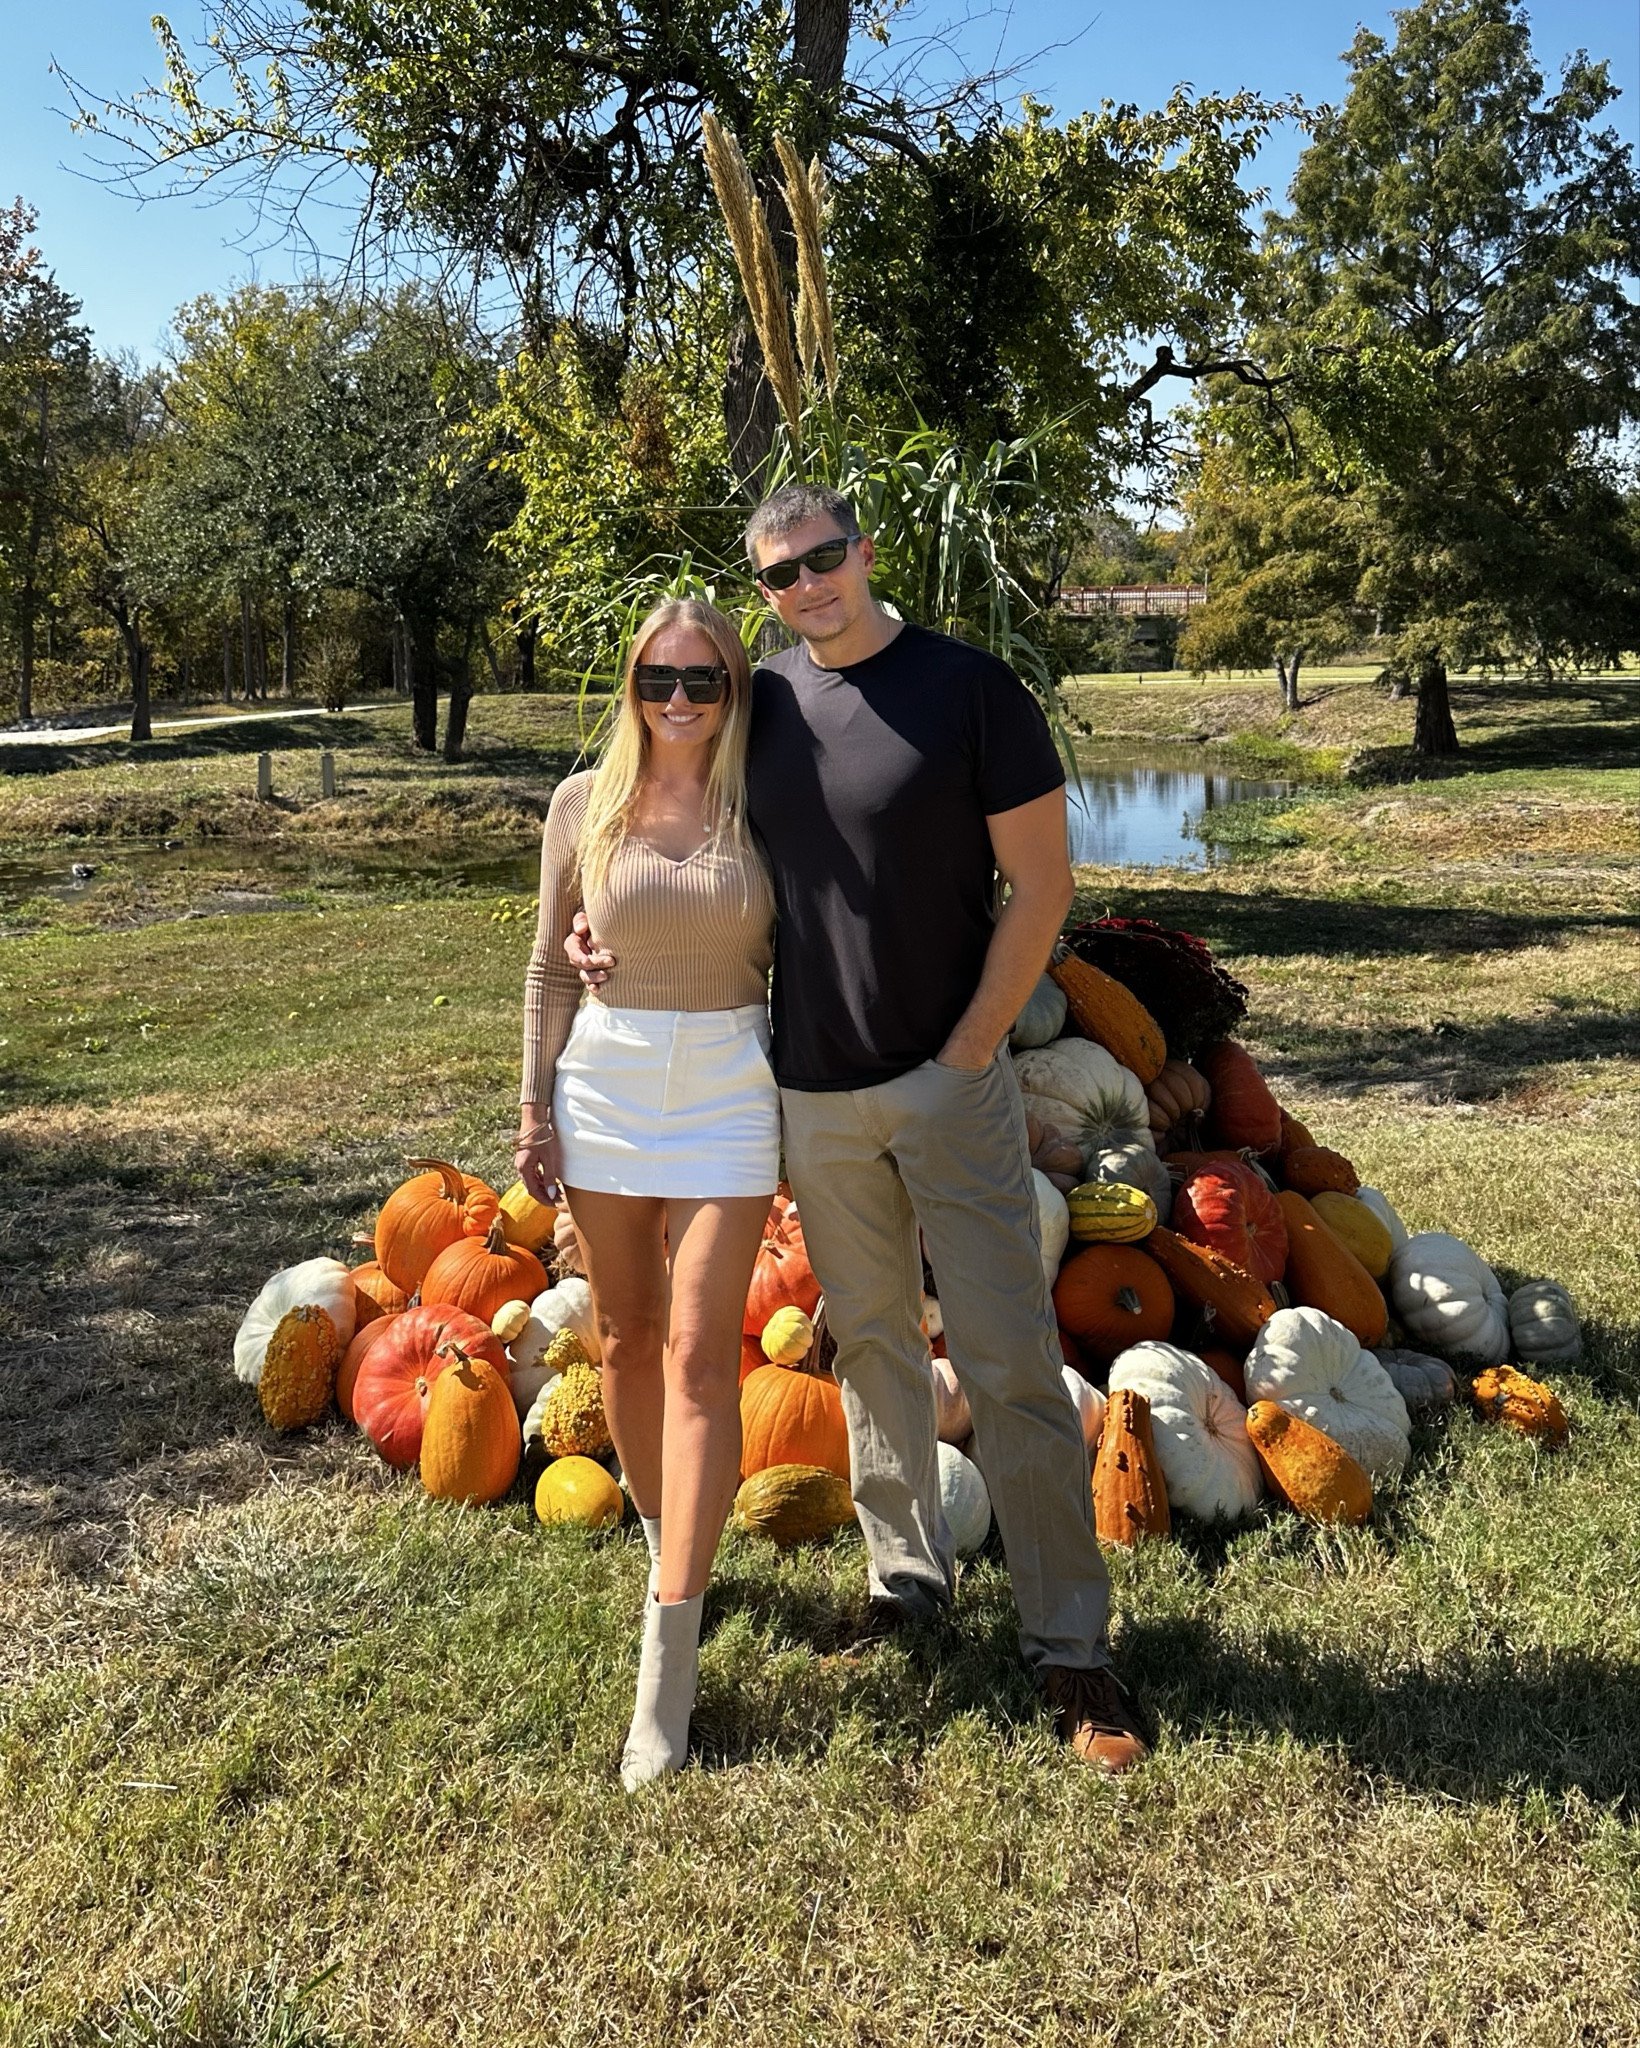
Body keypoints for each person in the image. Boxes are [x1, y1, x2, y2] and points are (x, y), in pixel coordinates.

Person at [570, 484, 1151, 1773]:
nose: (806, 585)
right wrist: (594, 932)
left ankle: (1068, 1643)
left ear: (864, 551)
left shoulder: (971, 692)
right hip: (813, 1094)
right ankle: (906, 1582)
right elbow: (668, 828)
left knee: (1004, 1358)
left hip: (948, 1084)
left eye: (823, 557)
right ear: (762, 594)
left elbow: (1042, 883)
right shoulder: (758, 704)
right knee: (871, 1342)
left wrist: (969, 1044)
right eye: (778, 575)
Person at [516, 597, 778, 1792]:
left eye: (704, 681)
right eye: (658, 679)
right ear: (631, 685)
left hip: (728, 1082)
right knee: (621, 1332)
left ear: (733, 690)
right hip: (607, 1084)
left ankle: (663, 1674)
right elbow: (543, 967)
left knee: (698, 1352)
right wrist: (531, 1108)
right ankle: (674, 1546)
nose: (679, 701)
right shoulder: (584, 803)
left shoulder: (763, 801)